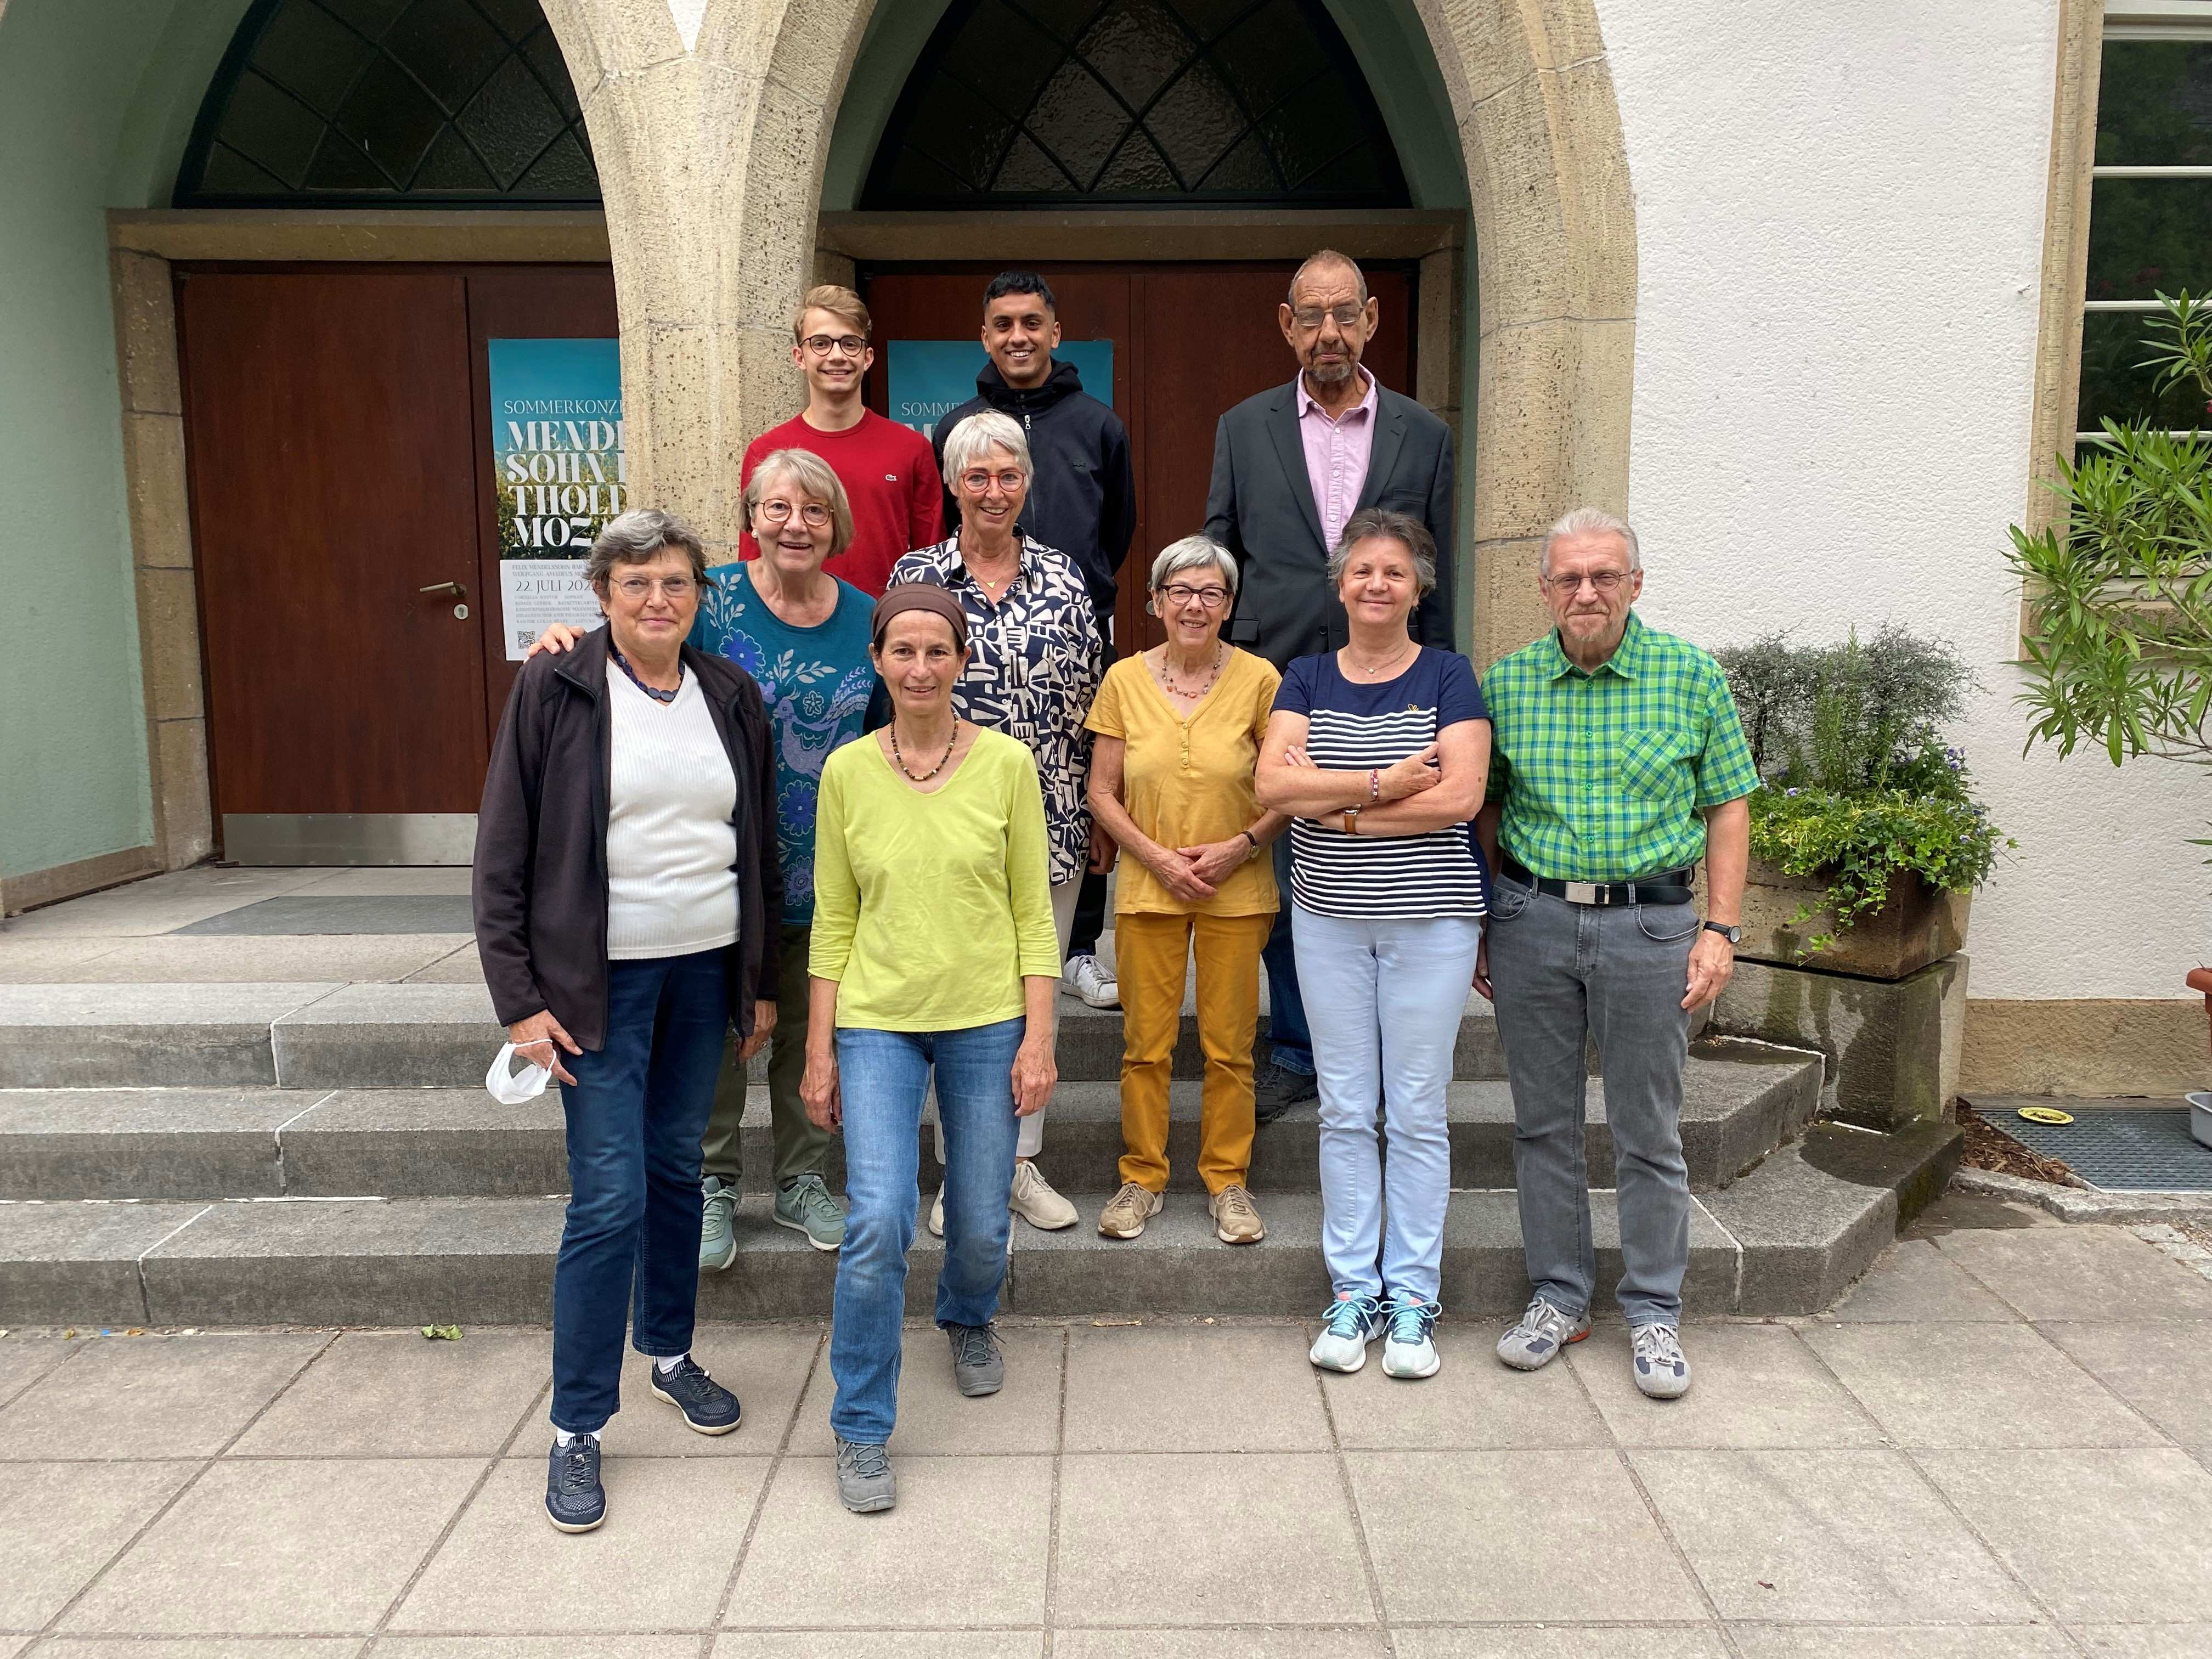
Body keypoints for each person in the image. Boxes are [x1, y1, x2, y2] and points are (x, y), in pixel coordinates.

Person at [474, 508, 782, 1533]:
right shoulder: (557, 685)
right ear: (602, 592)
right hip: (591, 989)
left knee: (677, 1172)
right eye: (637, 581)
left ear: (701, 596)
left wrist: (758, 979)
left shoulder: (728, 693)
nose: (659, 599)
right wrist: (519, 1000)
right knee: (605, 1197)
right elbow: (503, 853)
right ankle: (576, 1424)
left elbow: (758, 845)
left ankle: (670, 1351)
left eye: (678, 582)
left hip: (700, 977)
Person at [526, 453, 876, 1262]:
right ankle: (713, 1182)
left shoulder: (868, 615)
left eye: (816, 510)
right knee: (718, 1039)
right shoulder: (707, 602)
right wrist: (565, 643)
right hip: (726, 875)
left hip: (836, 870)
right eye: (779, 507)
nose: (797, 524)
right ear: (750, 517)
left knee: (813, 1034)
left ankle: (801, 1178)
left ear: (837, 524)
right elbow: (635, 649)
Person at [1476, 506, 1756, 1401]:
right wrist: (1489, 915)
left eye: (1603, 575)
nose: (1585, 591)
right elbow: (1483, 806)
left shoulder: (1689, 675)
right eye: (1568, 577)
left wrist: (1720, 928)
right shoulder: (1508, 682)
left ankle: (1653, 1307)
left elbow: (1727, 805)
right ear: (1545, 589)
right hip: (1535, 922)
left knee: (1647, 1127)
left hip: (1651, 927)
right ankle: (1559, 1294)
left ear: (1636, 583)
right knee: (1542, 1123)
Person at [803, 584, 1061, 1514]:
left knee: (984, 1219)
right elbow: (834, 916)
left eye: (936, 651)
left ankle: (965, 1314)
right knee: (876, 1216)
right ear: (877, 658)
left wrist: (1039, 1035)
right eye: (901, 650)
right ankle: (861, 1422)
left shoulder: (1005, 764)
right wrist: (818, 1050)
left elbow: (1034, 910)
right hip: (877, 1017)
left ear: (961, 659)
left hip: (987, 1014)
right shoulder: (845, 772)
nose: (919, 668)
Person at [1205, 250, 1459, 1121]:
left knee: (1381, 853)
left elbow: (1445, 574)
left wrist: (1442, 682)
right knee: (1286, 864)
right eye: (1310, 317)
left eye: (1344, 314)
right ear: (1287, 325)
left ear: (1373, 318)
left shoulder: (1423, 435)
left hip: (1389, 678)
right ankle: (1297, 1048)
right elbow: (1220, 555)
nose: (1328, 333)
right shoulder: (1244, 427)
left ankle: (1383, 1041)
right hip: (1274, 676)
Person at [1255, 509, 1490, 1383]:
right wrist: (1387, 782)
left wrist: (1340, 809)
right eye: (1362, 571)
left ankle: (1415, 1298)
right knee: (1349, 1109)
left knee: (1419, 1110)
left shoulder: (1449, 676)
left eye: (1395, 572)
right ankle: (1354, 1290)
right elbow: (1273, 782)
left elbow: (1460, 799)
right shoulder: (1306, 677)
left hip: (1432, 923)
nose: (1377, 585)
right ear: (1341, 584)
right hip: (1329, 921)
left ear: (1418, 587)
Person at [890, 408, 1102, 1237]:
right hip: (944, 818)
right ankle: (961, 1173)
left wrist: (1094, 808)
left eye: (1008, 475)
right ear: (951, 484)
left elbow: (1091, 700)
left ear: (1027, 484)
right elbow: (900, 687)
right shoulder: (919, 573)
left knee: (1029, 995)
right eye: (976, 476)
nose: (993, 490)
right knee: (961, 993)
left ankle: (1016, 1164)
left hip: (1047, 814)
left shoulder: (1064, 576)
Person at [933, 270, 1137, 1013]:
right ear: (985, 337)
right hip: (979, 637)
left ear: (1055, 332)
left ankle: (1079, 947)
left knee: (1076, 775)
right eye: (1001, 325)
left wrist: (1069, 586)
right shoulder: (958, 425)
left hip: (1070, 628)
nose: (1017, 336)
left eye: (1030, 323)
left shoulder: (1098, 424)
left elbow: (1117, 530)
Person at [1086, 536, 1286, 1245]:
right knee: (1146, 1045)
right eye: (1181, 591)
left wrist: (1241, 845)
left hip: (1239, 887)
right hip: (1148, 886)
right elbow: (1101, 791)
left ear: (1229, 605)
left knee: (1231, 1047)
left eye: (1211, 593)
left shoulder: (1262, 680)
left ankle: (1227, 1182)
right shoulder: (1124, 681)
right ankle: (1142, 1177)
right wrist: (1156, 858)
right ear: (1156, 602)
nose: (1195, 605)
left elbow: (1287, 786)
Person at [737, 285, 943, 595]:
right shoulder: (766, 452)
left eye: (850, 344)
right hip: (787, 630)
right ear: (799, 357)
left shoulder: (911, 448)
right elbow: (752, 559)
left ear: (867, 357)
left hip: (884, 629)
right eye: (821, 343)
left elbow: (932, 560)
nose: (836, 356)